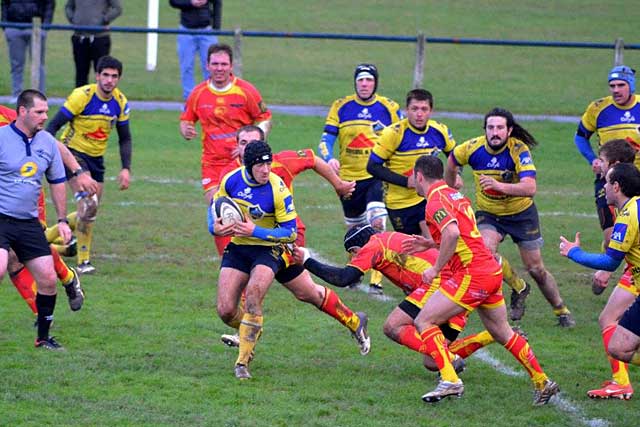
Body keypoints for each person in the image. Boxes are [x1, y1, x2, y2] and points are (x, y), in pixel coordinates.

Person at [405, 155, 558, 405]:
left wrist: (435, 268)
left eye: (413, 177)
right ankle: (542, 382)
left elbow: (453, 233)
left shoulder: (434, 201)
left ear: (419, 176)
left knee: (424, 320)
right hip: (489, 270)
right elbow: (463, 235)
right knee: (502, 332)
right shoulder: (455, 195)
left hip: (472, 273)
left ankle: (450, 380)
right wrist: (430, 242)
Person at [211, 140, 369, 380]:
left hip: (274, 247)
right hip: (241, 247)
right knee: (226, 310)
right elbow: (216, 209)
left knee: (254, 294)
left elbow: (290, 232)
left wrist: (254, 231)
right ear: (248, 164)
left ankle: (242, 363)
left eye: (268, 164)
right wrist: (216, 227)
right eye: (260, 166)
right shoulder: (231, 180)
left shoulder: (278, 187)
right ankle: (355, 320)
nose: (266, 170)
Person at [294, 225, 498, 373]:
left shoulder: (373, 246)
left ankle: (449, 361)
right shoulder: (388, 239)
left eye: (353, 254)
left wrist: (306, 261)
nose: (355, 258)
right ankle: (490, 335)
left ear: (359, 247)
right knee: (432, 362)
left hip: (440, 285)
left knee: (392, 326)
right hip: (457, 286)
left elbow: (343, 278)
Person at [445, 107, 575, 327]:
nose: (495, 132)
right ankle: (518, 286)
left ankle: (561, 309)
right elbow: (451, 161)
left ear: (509, 130)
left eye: (500, 128)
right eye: (490, 128)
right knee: (485, 252)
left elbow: (530, 187)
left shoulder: (518, 150)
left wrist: (499, 185)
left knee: (536, 269)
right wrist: (452, 181)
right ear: (485, 130)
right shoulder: (472, 148)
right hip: (489, 214)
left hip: (522, 215)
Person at [0, 104, 95, 317]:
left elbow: (51, 144)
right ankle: (42, 316)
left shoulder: (9, 117)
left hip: (24, 195)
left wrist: (78, 172)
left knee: (23, 250)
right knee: (14, 259)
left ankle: (67, 278)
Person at [318, 63, 402, 293]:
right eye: (360, 80)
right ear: (355, 82)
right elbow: (326, 139)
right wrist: (328, 157)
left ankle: (377, 279)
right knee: (355, 228)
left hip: (376, 175)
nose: (364, 84)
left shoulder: (389, 108)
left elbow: (400, 138)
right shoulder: (341, 106)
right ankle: (354, 272)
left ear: (375, 83)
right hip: (348, 179)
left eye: (369, 80)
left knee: (377, 222)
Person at [560, 159, 640, 400]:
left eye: (606, 182)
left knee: (618, 347)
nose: (602, 186)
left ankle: (621, 384)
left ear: (617, 186)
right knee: (618, 343)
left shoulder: (627, 216)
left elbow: (610, 262)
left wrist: (574, 252)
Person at [0, 90, 73, 350]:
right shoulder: (2, 138)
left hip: (28, 222)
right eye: (39, 112)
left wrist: (63, 220)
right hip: (1, 219)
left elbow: (56, 181)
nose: (45, 117)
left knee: (48, 278)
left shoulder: (47, 143)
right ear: (22, 112)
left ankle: (43, 338)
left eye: (45, 111)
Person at [46, 55, 131, 275]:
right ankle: (83, 262)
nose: (109, 80)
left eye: (114, 76)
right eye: (105, 75)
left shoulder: (120, 102)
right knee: (89, 206)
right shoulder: (81, 96)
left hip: (96, 159)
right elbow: (52, 126)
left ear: (118, 79)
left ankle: (46, 244)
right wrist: (52, 155)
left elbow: (125, 137)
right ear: (97, 76)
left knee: (89, 211)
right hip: (72, 154)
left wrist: (125, 168)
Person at [213, 125, 355, 254]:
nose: (248, 147)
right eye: (243, 143)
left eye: (254, 142)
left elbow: (313, 159)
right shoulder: (229, 174)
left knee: (298, 279)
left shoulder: (282, 163)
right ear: (237, 145)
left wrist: (339, 185)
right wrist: (214, 228)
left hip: (287, 231)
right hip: (249, 237)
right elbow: (219, 206)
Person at [574, 65, 640, 295]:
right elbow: (580, 137)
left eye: (621, 85)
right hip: (608, 181)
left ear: (631, 85)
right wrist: (592, 159)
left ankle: (627, 278)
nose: (616, 90)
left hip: (636, 180)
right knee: (611, 234)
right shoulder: (598, 109)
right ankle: (608, 268)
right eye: (612, 86)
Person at [367, 88, 456, 236]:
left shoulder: (440, 131)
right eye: (414, 109)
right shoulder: (394, 133)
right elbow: (372, 166)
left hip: (430, 199)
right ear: (407, 110)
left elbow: (455, 158)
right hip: (400, 203)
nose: (419, 114)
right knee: (413, 250)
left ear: (431, 111)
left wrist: (456, 174)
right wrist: (406, 182)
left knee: (436, 242)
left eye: (424, 109)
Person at [1, 0, 54, 101]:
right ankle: (16, 95)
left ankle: (39, 96)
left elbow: (49, 3)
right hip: (14, 26)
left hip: (37, 26)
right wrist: (5, 25)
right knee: (16, 64)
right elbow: (4, 3)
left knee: (38, 64)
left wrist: (46, 25)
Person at [169, 0, 220, 101]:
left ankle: (211, 99)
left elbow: (217, 3)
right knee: (186, 67)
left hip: (206, 30)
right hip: (186, 31)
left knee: (211, 66)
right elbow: (173, 2)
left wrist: (216, 27)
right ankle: (190, 101)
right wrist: (190, 3)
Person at [65, 0, 122, 87]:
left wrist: (104, 19)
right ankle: (81, 99)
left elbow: (117, 8)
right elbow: (68, 6)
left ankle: (100, 100)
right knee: (81, 74)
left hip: (100, 38)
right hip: (80, 37)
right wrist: (74, 19)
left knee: (102, 73)